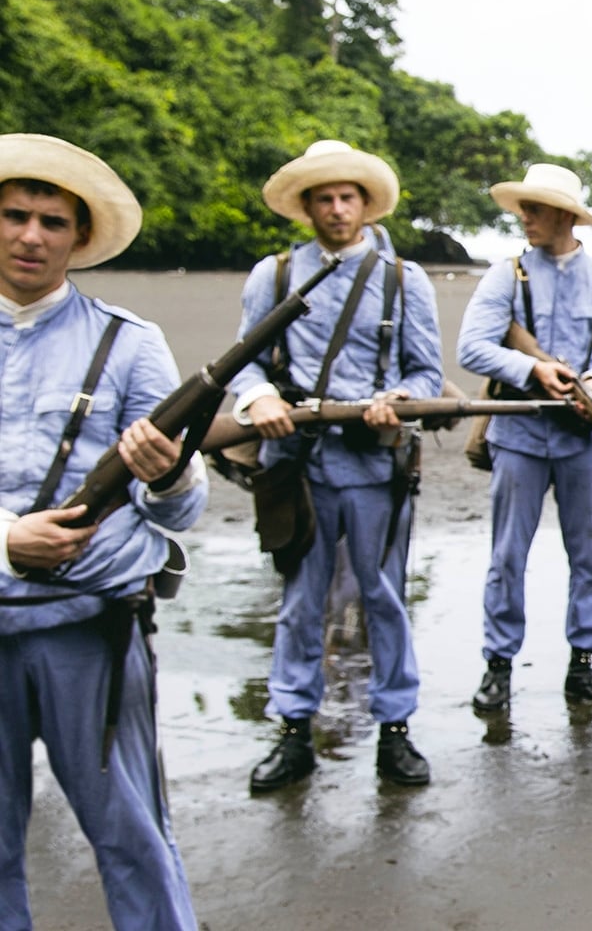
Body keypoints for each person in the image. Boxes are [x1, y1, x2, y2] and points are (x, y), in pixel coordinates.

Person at [0, 133, 207, 927]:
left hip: (90, 627)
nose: (31, 235)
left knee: (130, 832)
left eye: (53, 222)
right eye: (16, 215)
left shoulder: (131, 342)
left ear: (79, 238)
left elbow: (183, 508)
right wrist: (7, 542)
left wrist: (166, 473)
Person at [232, 139, 442, 793]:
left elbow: (426, 372)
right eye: (323, 198)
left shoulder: (404, 279)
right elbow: (242, 363)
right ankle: (293, 728)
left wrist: (398, 402)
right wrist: (261, 397)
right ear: (306, 207)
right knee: (299, 602)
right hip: (298, 465)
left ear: (365, 203)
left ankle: (395, 729)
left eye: (347, 196)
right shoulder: (271, 277)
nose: (336, 208)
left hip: (375, 469)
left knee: (383, 598)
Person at [457, 163, 592, 712]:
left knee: (588, 555)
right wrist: (532, 370)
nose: (524, 218)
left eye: (534, 209)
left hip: (583, 440)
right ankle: (499, 666)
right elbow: (472, 347)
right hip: (518, 437)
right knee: (507, 556)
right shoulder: (506, 274)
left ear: (565, 215)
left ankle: (582, 664)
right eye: (524, 208)